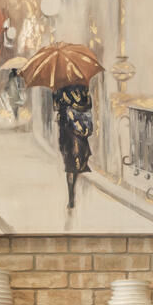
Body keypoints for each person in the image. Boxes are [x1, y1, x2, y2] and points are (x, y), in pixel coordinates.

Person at [53, 82, 93, 210]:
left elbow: (55, 107)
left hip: (66, 130)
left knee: (69, 163)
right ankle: (72, 192)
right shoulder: (83, 88)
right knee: (77, 160)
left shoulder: (59, 89)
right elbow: (89, 105)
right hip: (79, 131)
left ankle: (71, 196)